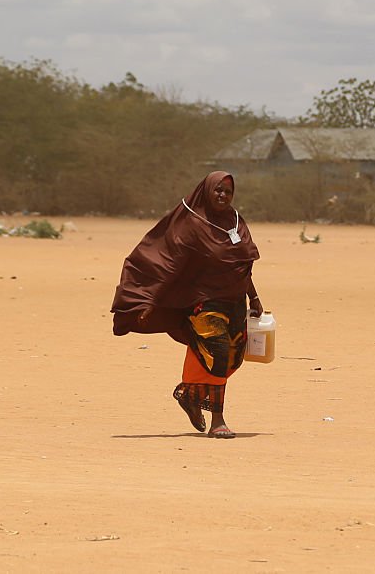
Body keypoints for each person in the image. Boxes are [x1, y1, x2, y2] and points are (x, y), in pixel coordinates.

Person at [111, 171, 263, 439]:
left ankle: (190, 394)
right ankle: (218, 421)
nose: (222, 195)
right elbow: (168, 263)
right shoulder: (193, 223)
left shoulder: (236, 222)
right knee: (218, 353)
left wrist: (255, 296)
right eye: (218, 190)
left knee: (234, 357)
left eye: (227, 191)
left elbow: (242, 266)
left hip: (236, 301)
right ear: (206, 191)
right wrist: (150, 299)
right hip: (204, 302)